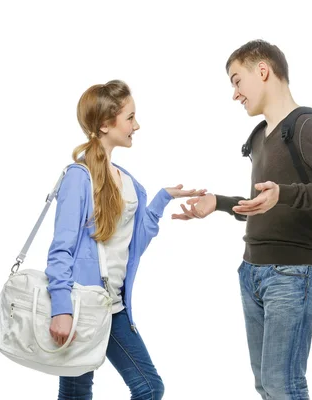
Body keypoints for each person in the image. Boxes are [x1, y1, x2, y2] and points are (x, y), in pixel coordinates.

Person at [172, 40, 312, 399]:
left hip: (294, 274)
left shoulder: (306, 125)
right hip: (253, 271)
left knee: (283, 384)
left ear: (263, 71)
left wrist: (285, 193)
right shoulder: (260, 137)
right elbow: (266, 203)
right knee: (266, 385)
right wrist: (220, 203)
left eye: (236, 80)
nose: (235, 94)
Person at [46, 80, 205, 400]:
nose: (137, 125)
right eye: (130, 118)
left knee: (149, 388)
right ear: (105, 123)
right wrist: (60, 308)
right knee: (77, 393)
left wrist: (161, 200)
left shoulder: (131, 184)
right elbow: (61, 248)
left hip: (113, 308)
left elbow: (133, 248)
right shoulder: (79, 177)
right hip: (79, 307)